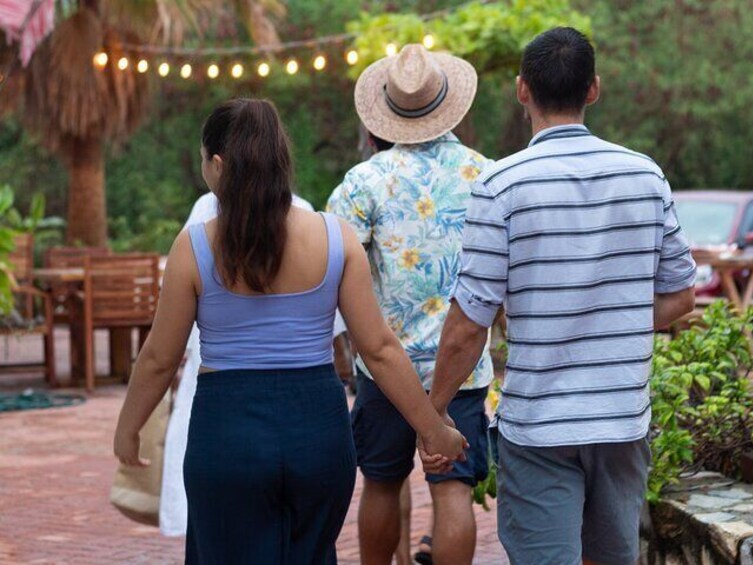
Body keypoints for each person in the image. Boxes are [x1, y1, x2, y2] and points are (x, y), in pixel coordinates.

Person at [113, 98, 466, 563]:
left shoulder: (194, 246)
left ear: (217, 165)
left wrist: (128, 427)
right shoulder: (335, 237)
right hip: (317, 429)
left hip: (227, 432)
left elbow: (160, 357)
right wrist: (432, 429)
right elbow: (378, 349)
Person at [424, 27, 696, 565]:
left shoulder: (501, 185)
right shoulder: (646, 175)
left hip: (539, 426)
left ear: (522, 90)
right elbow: (682, 297)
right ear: (593, 89)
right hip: (622, 418)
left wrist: (434, 414)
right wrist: (606, 319)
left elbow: (468, 324)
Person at [327, 45, 494, 565]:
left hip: (385, 369)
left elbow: (332, 268)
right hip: (463, 368)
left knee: (379, 484)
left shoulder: (363, 183)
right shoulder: (486, 175)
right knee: (452, 491)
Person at [158, 190, 316, 537]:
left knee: (220, 524)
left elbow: (168, 327)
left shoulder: (206, 212)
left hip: (218, 382)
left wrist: (129, 426)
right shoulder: (306, 216)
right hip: (295, 382)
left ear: (218, 163)